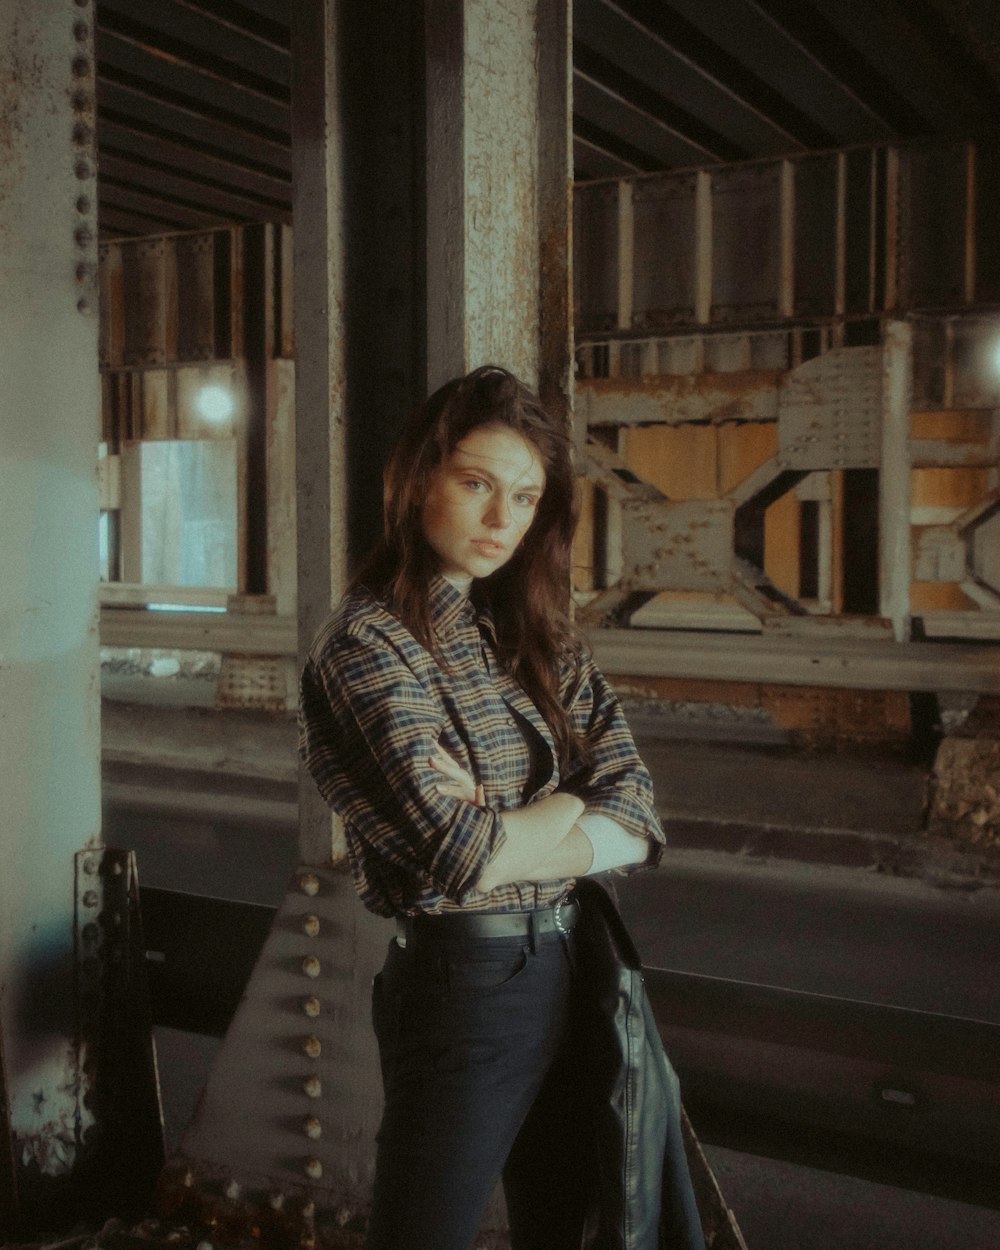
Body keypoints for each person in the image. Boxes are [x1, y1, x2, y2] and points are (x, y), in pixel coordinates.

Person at [299, 365, 704, 1250]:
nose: (500, 522)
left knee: (575, 1231)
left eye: (523, 499)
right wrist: (571, 798)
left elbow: (638, 813)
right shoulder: (367, 645)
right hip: (467, 987)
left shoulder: (530, 632)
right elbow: (462, 858)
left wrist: (535, 818)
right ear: (416, 482)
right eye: (477, 484)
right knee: (425, 1234)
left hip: (575, 966)